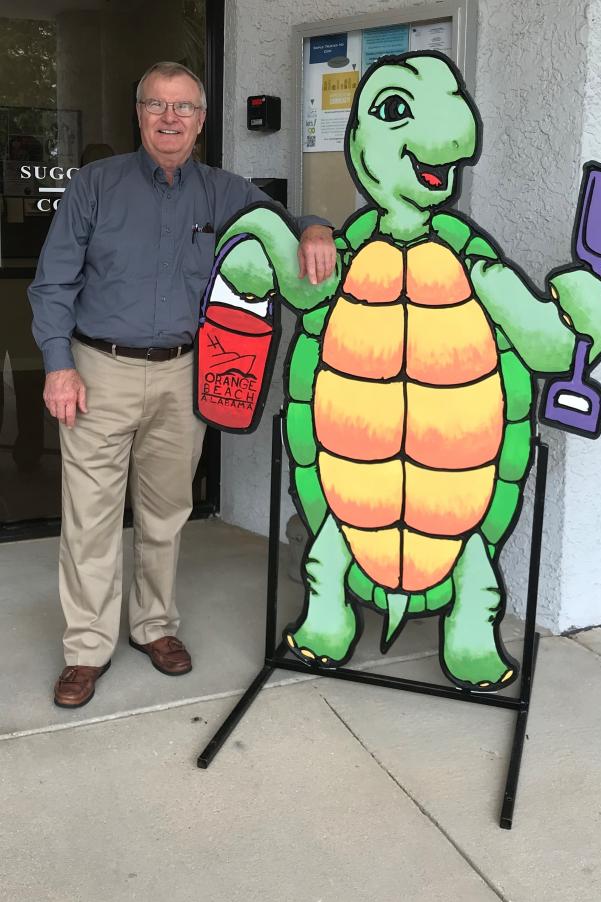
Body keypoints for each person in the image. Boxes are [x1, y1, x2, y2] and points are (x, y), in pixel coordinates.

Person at [28, 61, 336, 709]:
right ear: (138, 113)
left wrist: (313, 227)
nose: (169, 119)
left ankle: (154, 626)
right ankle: (86, 649)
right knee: (90, 519)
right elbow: (52, 282)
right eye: (156, 106)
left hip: (183, 373)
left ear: (200, 120)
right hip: (97, 370)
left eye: (183, 108)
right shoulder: (95, 186)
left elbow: (281, 227)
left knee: (166, 513)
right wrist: (57, 365)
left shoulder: (224, 192)